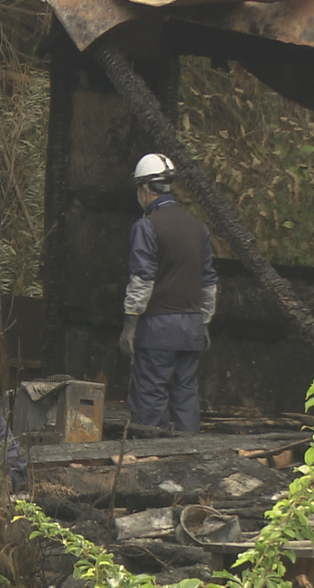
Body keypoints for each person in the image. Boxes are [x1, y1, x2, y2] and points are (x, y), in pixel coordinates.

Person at [118, 153, 218, 432]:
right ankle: (188, 453)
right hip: (191, 329)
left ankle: (152, 455)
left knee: (150, 397)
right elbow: (209, 282)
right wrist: (204, 322)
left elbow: (142, 278)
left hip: (157, 329)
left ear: (145, 188)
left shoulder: (147, 226)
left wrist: (130, 322)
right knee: (186, 395)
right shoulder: (198, 228)